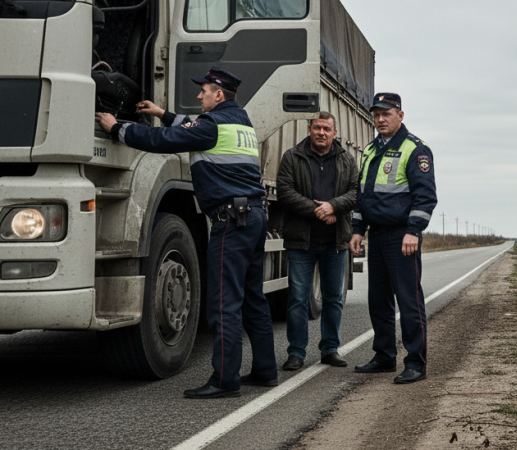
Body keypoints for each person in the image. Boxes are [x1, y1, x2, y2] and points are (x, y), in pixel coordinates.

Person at [95, 67, 277, 398]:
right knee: (253, 299)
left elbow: (164, 140)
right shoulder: (240, 122)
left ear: (218, 95)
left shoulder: (211, 125)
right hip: (253, 217)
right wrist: (162, 113)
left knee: (224, 304)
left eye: (204, 90)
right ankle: (265, 370)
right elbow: (192, 128)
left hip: (231, 222)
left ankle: (225, 381)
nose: (199, 95)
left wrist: (117, 127)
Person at [350, 92, 437, 384]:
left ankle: (415, 363)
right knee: (379, 301)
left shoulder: (415, 149)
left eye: (386, 113)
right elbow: (363, 196)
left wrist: (413, 231)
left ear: (400, 115)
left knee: (409, 301)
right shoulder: (371, 150)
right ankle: (385, 356)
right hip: (377, 235)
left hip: (402, 236)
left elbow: (425, 197)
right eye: (376, 114)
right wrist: (358, 230)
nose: (380, 119)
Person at [275, 111, 358, 371]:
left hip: (335, 241)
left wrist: (333, 206)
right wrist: (318, 210)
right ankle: (296, 352)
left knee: (333, 299)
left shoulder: (347, 159)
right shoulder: (292, 156)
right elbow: (285, 192)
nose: (321, 132)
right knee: (298, 298)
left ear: (335, 133)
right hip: (302, 242)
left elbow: (356, 192)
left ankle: (330, 349)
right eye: (317, 127)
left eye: (326, 129)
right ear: (310, 129)